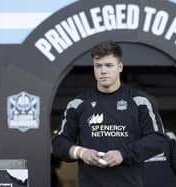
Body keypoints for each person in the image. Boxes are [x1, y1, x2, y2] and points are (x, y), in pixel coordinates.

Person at [52, 40, 166, 187]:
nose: (103, 71)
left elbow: (157, 140)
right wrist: (81, 152)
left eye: (109, 65)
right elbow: (59, 143)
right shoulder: (78, 104)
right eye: (98, 66)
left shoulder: (140, 101)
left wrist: (123, 154)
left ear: (120, 67)